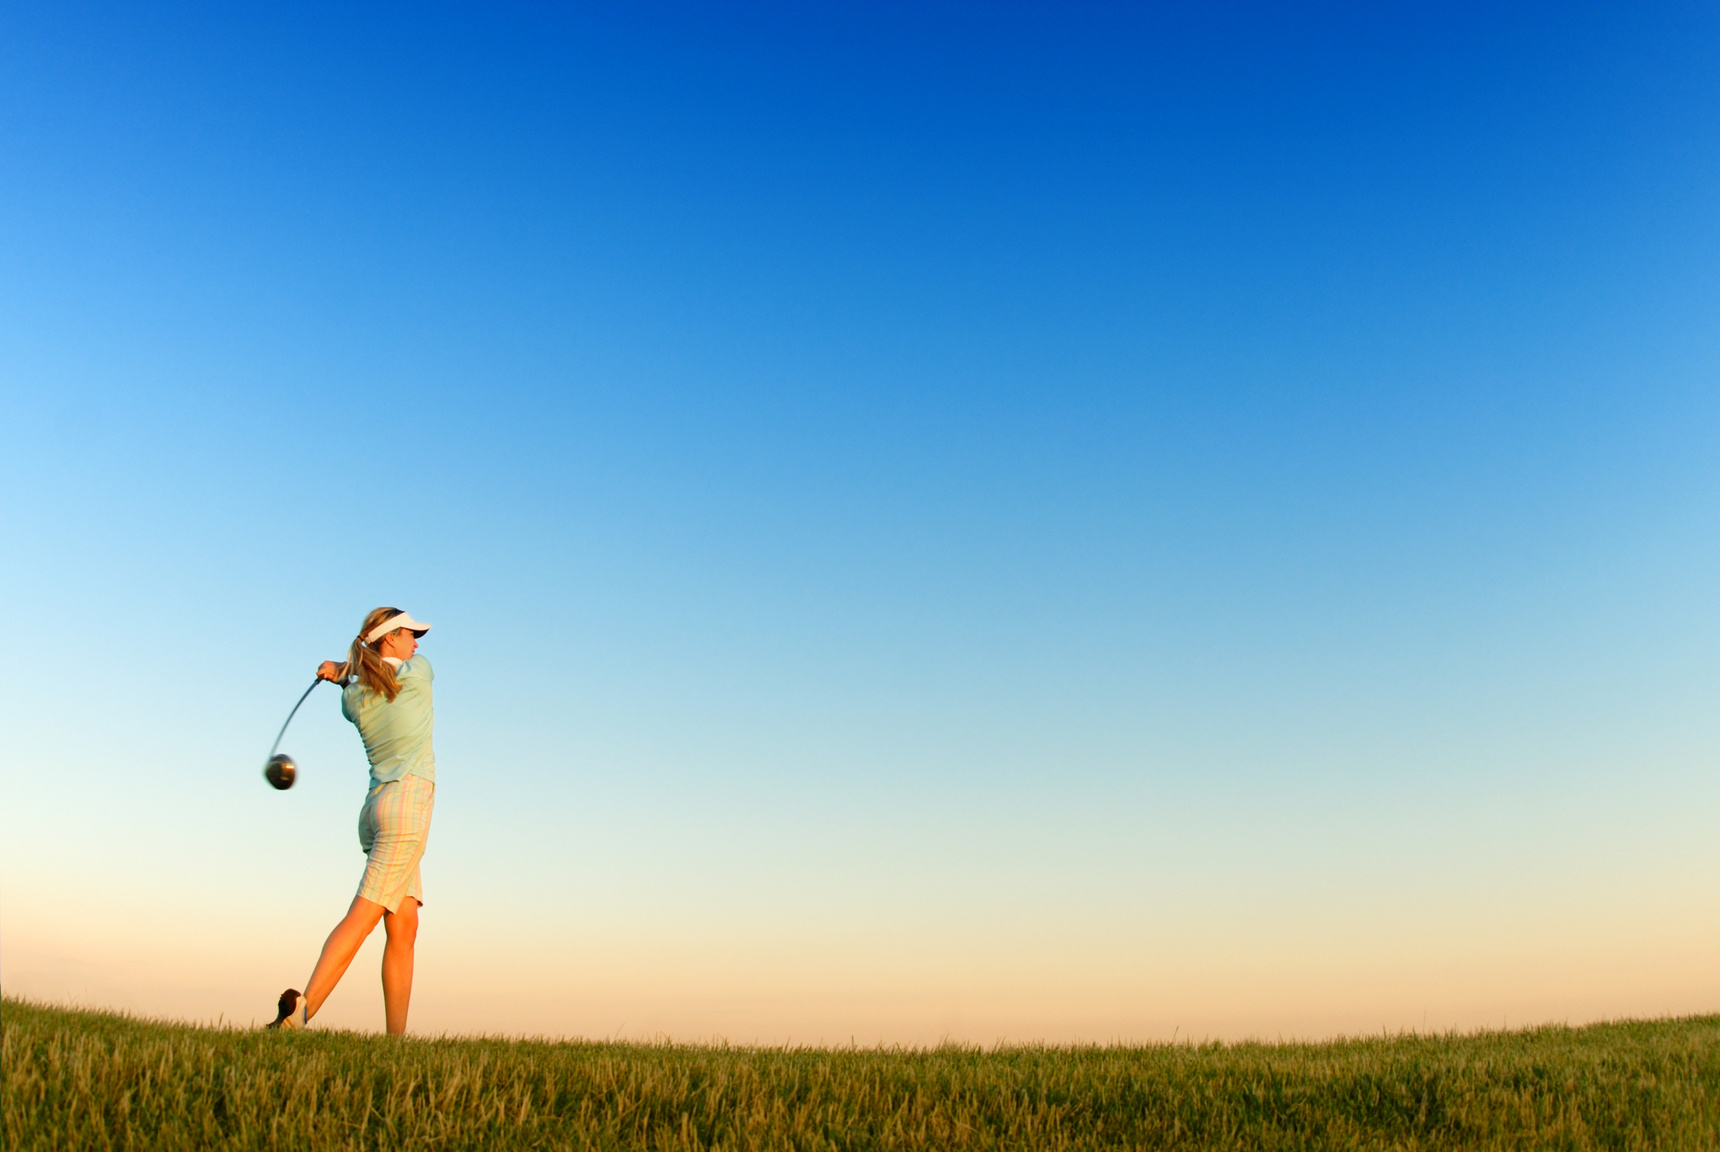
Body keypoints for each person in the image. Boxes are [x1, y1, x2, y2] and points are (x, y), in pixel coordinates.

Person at [268, 607, 436, 1036]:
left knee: (404, 925)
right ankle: (299, 1014)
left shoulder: (352, 699)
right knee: (362, 917)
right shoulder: (418, 675)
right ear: (391, 638)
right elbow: (379, 670)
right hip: (406, 807)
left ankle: (395, 1042)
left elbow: (361, 675)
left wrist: (342, 671)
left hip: (375, 811)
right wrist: (344, 669)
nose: (417, 643)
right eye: (410, 635)